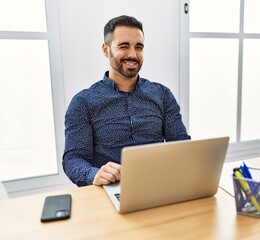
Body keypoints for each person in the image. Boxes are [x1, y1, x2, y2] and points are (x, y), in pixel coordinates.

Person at [63, 15, 190, 187]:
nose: (133, 54)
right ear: (106, 49)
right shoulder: (83, 103)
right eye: (124, 46)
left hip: (160, 185)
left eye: (139, 47)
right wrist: (94, 174)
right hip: (111, 189)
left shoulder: (162, 95)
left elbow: (182, 146)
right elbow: (73, 159)